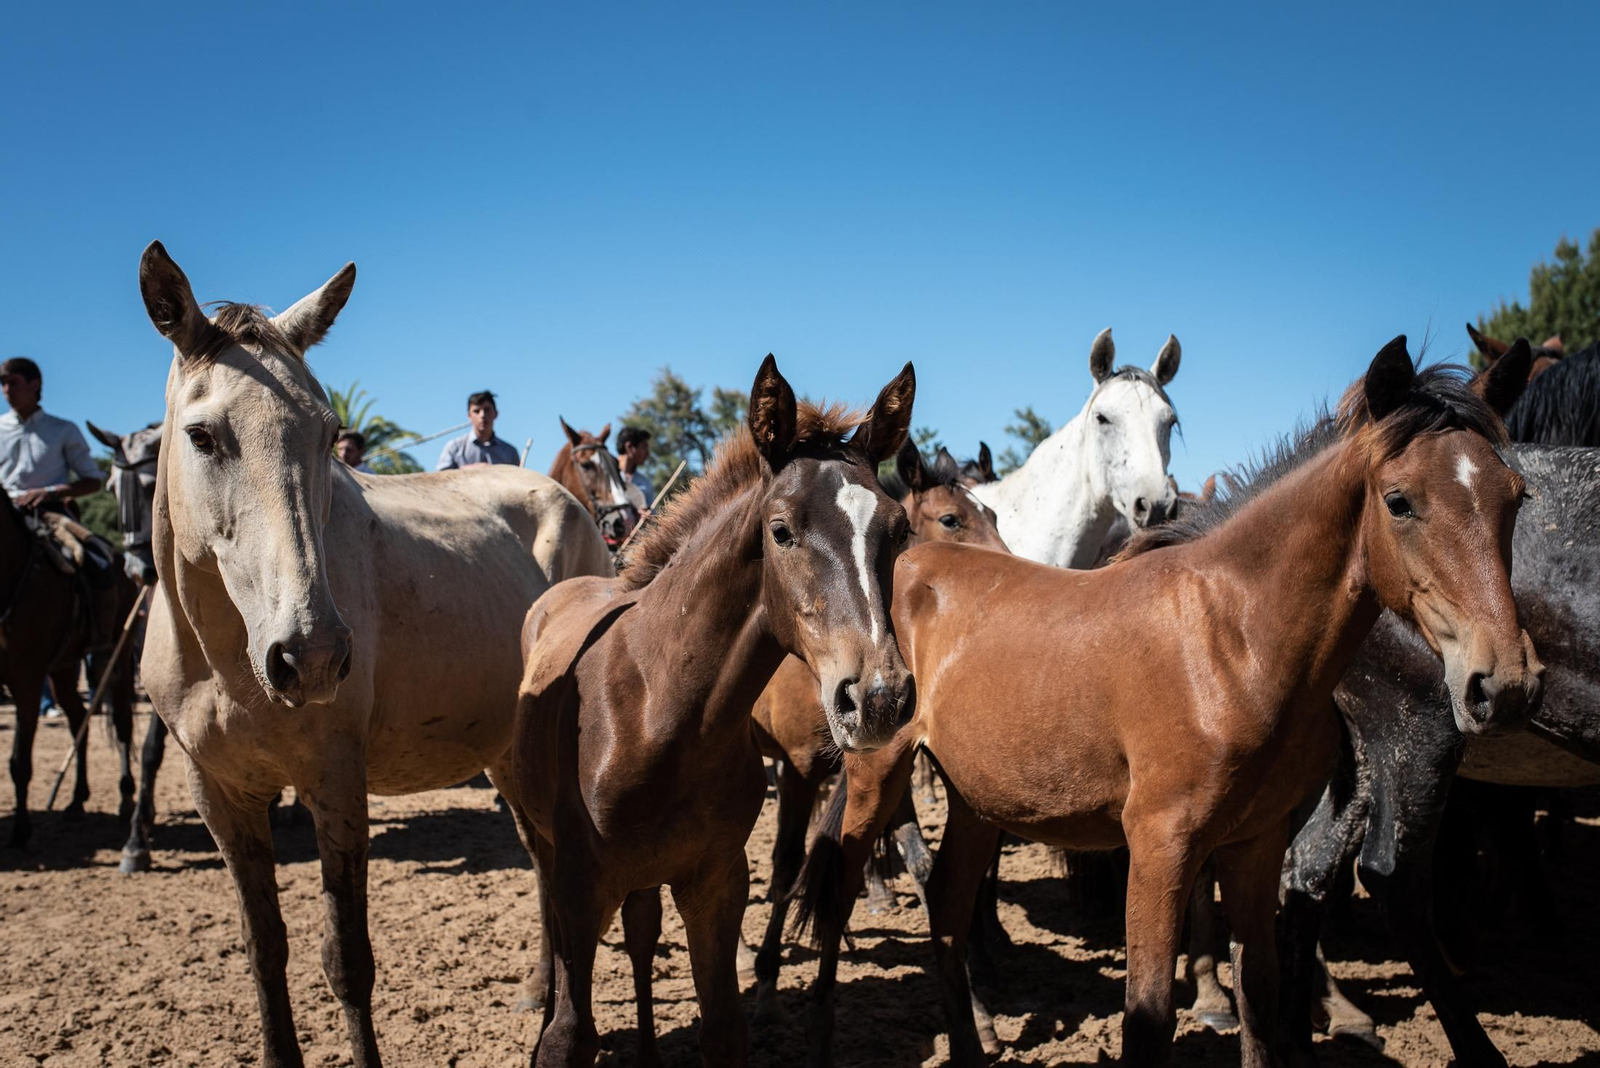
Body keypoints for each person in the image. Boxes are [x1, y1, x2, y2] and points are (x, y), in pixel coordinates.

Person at [1, 357, 103, 513]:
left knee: (78, 538)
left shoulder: (64, 430)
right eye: (3, 383)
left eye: (13, 383)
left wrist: (50, 492)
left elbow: (93, 481)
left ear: (34, 385)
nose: (7, 390)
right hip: (5, 511)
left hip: (49, 511)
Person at [436, 390, 519, 469]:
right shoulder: (454, 448)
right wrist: (474, 470)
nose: (482, 415)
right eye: (476, 411)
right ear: (469, 416)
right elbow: (441, 477)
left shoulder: (509, 452)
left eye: (487, 410)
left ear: (496, 413)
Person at [616, 425, 655, 507]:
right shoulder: (606, 477)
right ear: (629, 447)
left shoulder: (646, 484)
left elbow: (652, 515)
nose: (648, 454)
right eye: (644, 447)